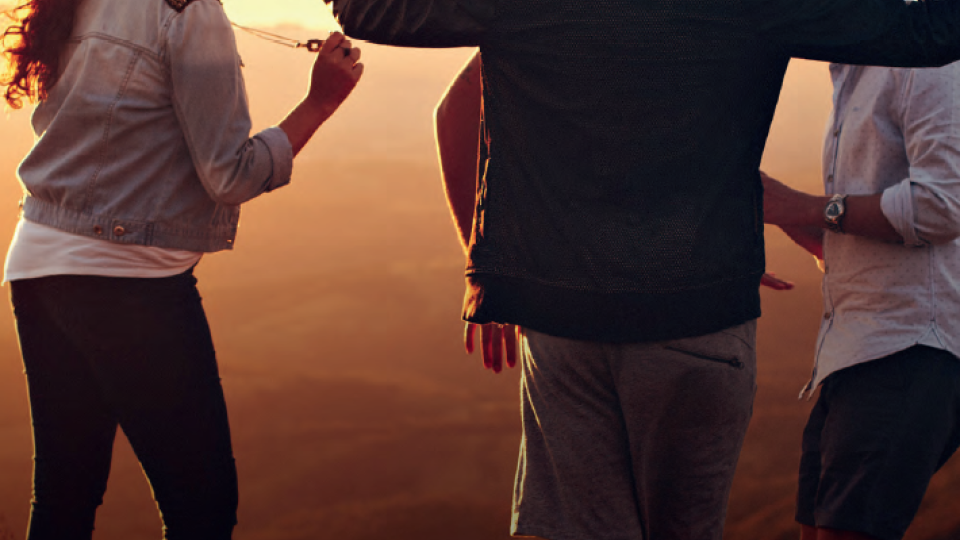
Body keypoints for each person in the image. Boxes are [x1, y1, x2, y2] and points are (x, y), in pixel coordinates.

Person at [326, 0, 960, 538]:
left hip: (564, 321)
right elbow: (930, 33)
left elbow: (366, 10)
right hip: (701, 320)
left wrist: (486, 262)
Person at [0, 0, 362, 538]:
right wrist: (321, 102)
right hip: (126, 280)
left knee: (64, 495)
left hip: (37, 263)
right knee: (203, 508)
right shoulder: (189, 11)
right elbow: (231, 175)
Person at [761, 60, 960, 540]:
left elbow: (941, 207)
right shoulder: (853, 74)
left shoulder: (927, 64)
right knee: (815, 531)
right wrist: (788, 216)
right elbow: (862, 237)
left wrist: (804, 206)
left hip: (908, 348)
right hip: (852, 351)